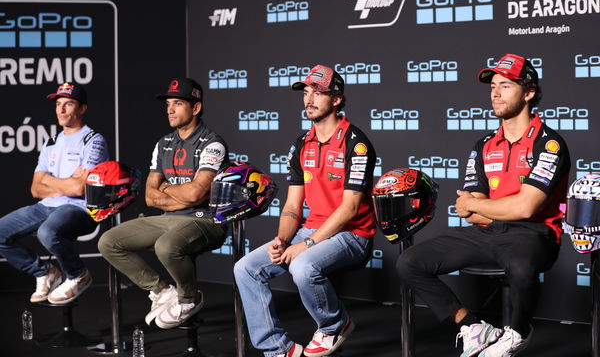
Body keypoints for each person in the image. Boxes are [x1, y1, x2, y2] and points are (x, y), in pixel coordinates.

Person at [396, 54, 571, 357]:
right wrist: (490, 207)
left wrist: (484, 206)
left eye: (505, 85)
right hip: (487, 233)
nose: (495, 93)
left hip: (532, 234)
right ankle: (474, 326)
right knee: (409, 262)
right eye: (493, 86)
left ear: (528, 92)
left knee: (519, 265)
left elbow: (527, 208)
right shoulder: (484, 145)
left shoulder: (549, 143)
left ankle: (517, 332)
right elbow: (467, 206)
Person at [234, 65, 377, 357]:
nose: (309, 98)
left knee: (303, 265)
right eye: (306, 92)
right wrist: (283, 240)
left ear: (336, 99)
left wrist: (306, 245)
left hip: (352, 234)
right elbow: (291, 205)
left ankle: (335, 324)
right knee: (245, 268)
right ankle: (277, 349)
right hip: (310, 230)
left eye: (319, 92)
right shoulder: (301, 143)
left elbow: (349, 209)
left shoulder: (356, 143)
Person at [98, 78, 229, 329]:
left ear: (196, 108)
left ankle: (189, 298)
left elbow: (196, 195)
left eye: (178, 103)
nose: (169, 109)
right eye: (168, 104)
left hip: (205, 219)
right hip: (170, 217)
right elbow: (150, 196)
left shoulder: (212, 143)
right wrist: (178, 196)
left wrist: (167, 190)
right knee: (109, 242)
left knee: (166, 246)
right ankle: (162, 291)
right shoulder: (163, 144)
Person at [0, 82, 109, 304]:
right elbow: (35, 188)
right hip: (47, 206)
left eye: (68, 104)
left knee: (47, 232)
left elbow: (80, 189)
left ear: (82, 108)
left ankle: (78, 274)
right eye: (58, 104)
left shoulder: (93, 140)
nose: (61, 110)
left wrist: (49, 180)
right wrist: (65, 182)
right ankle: (44, 272)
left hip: (79, 208)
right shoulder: (51, 142)